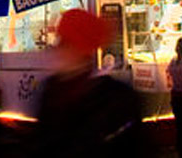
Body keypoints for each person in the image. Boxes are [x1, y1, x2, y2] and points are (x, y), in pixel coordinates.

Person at [29, 8, 144, 158]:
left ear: (80, 48)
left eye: (64, 43)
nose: (57, 49)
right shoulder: (51, 89)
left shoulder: (117, 98)